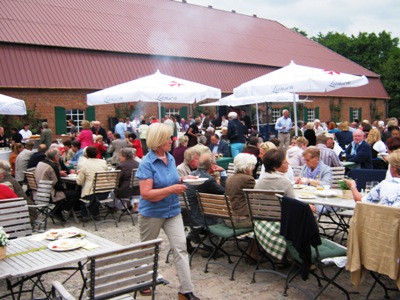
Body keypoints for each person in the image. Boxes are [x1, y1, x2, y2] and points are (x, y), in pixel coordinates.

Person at [135, 123, 200, 300]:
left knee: (181, 249)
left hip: (172, 210)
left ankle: (186, 291)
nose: (171, 140)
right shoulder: (147, 164)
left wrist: (183, 178)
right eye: (167, 138)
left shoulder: (169, 157)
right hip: (152, 213)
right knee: (148, 249)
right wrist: (172, 189)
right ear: (157, 140)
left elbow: (170, 180)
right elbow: (146, 194)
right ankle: (143, 280)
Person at [34, 148, 80, 222]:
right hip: (50, 194)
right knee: (76, 193)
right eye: (59, 156)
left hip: (38, 192)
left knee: (69, 192)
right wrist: (65, 189)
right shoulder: (52, 166)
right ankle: (58, 211)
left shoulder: (40, 163)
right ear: (56, 157)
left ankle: (58, 210)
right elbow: (57, 185)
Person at [75, 146, 108, 221]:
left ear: (86, 154)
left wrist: (78, 175)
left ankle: (85, 215)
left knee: (85, 193)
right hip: (105, 192)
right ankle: (95, 214)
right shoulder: (103, 162)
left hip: (91, 194)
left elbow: (79, 182)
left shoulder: (83, 164)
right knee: (91, 191)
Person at [225, 153, 256, 228]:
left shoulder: (230, 178)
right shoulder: (248, 179)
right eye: (252, 166)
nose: (253, 168)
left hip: (229, 219)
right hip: (242, 220)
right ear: (247, 167)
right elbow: (255, 199)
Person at [114, 148, 140, 212]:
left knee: (110, 190)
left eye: (120, 156)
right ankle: (128, 205)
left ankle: (115, 207)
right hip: (137, 189)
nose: (119, 158)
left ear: (124, 156)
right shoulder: (138, 164)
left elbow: (117, 180)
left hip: (125, 190)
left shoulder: (121, 166)